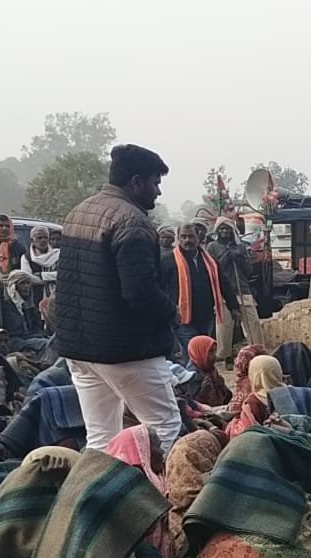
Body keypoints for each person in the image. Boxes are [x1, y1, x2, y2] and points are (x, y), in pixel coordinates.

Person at [53, 143, 182, 452]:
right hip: (123, 349)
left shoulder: (79, 212)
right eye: (155, 183)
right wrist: (171, 311)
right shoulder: (132, 221)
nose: (158, 192)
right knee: (164, 427)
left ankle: (100, 483)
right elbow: (140, 292)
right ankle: (149, 483)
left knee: (101, 437)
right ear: (136, 182)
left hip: (79, 349)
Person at [161, 222, 238, 364]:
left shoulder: (209, 261)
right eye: (183, 237)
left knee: (199, 354)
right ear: (178, 238)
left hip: (205, 317)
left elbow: (224, 283)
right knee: (196, 354)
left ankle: (194, 377)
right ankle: (194, 376)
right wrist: (168, 309)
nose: (187, 240)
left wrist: (233, 306)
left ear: (198, 237)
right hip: (181, 319)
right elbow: (159, 287)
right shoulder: (168, 260)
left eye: (190, 236)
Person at [206, 216, 265, 368]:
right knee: (225, 325)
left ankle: (257, 352)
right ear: (217, 231)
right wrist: (226, 257)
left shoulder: (240, 246)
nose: (225, 231)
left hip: (242, 289)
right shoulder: (212, 247)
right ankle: (226, 357)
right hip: (224, 291)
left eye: (227, 229)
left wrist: (240, 258)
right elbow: (213, 269)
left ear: (233, 231)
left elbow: (249, 270)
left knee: (253, 323)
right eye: (222, 229)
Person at [0, 270, 47, 341]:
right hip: (16, 341)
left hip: (33, 338)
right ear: (14, 286)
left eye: (28, 283)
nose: (26, 286)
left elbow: (37, 327)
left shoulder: (28, 305)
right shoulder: (6, 306)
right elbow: (14, 332)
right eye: (22, 283)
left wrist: (30, 307)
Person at [19, 226, 58, 304]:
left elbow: (62, 275)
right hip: (36, 298)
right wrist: (52, 279)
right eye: (39, 238)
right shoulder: (27, 257)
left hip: (58, 297)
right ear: (32, 240)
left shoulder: (57, 254)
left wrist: (41, 275)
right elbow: (28, 279)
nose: (43, 240)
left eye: (45, 237)